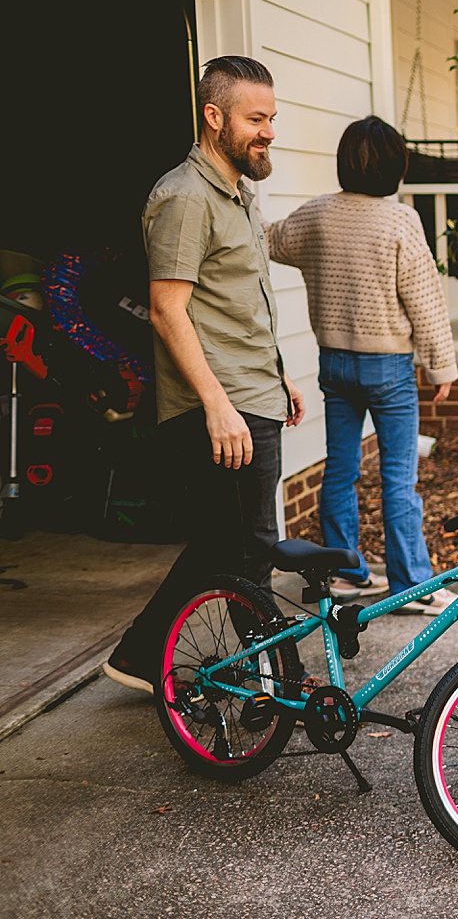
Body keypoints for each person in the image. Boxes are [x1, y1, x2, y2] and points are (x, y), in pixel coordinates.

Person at [105, 56, 304, 693]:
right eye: (255, 119)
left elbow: (234, 304)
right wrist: (218, 404)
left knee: (230, 546)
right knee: (248, 549)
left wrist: (279, 376)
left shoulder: (239, 193)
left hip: (254, 391)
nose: (268, 130)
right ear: (214, 118)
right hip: (223, 404)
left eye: (271, 118)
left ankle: (141, 657)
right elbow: (168, 310)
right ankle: (263, 678)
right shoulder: (185, 197)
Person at [266, 116, 457, 613]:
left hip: (334, 364)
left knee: (341, 469)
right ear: (397, 168)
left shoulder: (318, 216)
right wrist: (442, 367)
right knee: (397, 478)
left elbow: (269, 240)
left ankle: (345, 575)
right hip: (388, 367)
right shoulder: (400, 221)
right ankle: (412, 583)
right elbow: (425, 301)